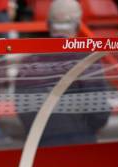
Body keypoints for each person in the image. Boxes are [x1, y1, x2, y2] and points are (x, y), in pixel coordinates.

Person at [14, 0, 110, 146]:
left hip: (39, 144)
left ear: (48, 24)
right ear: (78, 24)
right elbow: (99, 111)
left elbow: (23, 107)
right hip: (81, 142)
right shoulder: (88, 58)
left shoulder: (30, 61)